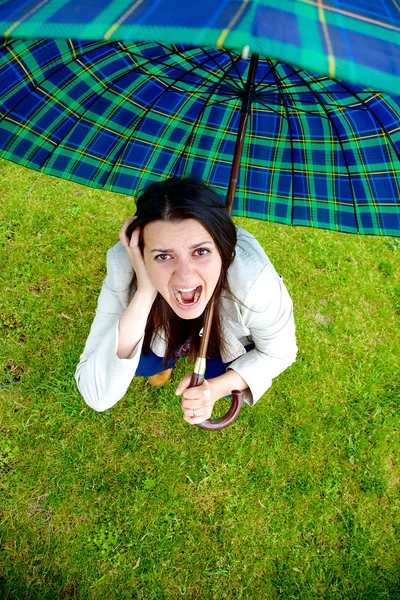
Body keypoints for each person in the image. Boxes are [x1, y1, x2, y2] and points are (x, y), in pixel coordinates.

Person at [75, 177, 297, 425]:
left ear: (222, 248)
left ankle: (184, 361)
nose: (185, 275)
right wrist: (146, 291)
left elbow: (279, 353)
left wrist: (217, 388)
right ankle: (164, 363)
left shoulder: (255, 283)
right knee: (141, 361)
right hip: (163, 328)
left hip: (220, 345)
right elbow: (97, 395)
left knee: (215, 371)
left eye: (200, 252)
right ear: (140, 252)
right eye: (163, 256)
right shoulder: (123, 265)